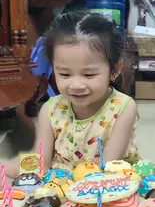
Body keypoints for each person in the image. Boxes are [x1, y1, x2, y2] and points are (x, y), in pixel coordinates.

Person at [1, 11, 140, 183]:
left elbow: (108, 168)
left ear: (115, 70)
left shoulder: (124, 108)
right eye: (65, 74)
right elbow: (41, 164)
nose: (76, 85)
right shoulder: (50, 109)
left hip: (108, 183)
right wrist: (9, 167)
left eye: (88, 75)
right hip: (61, 181)